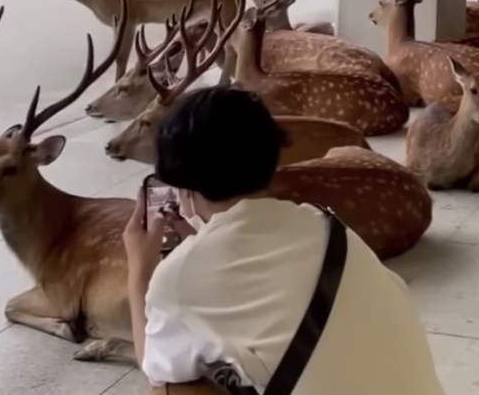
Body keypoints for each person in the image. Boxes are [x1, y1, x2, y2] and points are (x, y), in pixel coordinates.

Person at [122, 85, 446, 395]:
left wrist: (140, 269)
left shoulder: (180, 277)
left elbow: (156, 367)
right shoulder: (325, 224)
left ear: (184, 187)